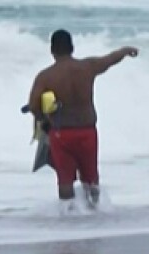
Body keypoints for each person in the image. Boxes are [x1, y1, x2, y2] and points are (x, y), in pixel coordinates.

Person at [27, 30, 139, 207]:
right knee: (91, 178)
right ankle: (94, 212)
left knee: (65, 180)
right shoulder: (87, 67)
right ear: (72, 47)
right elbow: (109, 60)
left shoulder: (46, 76)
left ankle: (68, 216)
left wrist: (44, 118)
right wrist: (124, 51)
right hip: (87, 131)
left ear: (52, 50)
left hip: (61, 134)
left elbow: (33, 106)